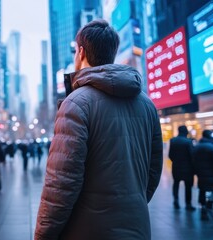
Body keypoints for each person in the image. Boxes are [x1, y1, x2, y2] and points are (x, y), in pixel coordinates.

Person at [35, 19, 163, 240]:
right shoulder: (147, 104)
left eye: (75, 51)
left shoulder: (76, 103)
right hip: (137, 227)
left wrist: (42, 235)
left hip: (87, 230)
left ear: (81, 52)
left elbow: (61, 184)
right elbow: (153, 171)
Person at [193, 130, 213, 221]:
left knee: (202, 190)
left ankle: (203, 208)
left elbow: (193, 161)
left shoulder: (196, 147)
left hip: (201, 175)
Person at [168, 125, 195, 210]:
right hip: (188, 168)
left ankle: (176, 200)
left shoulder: (173, 140)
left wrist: (176, 161)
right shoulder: (188, 141)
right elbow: (192, 155)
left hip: (176, 166)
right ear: (186, 131)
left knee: (176, 183)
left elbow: (170, 155)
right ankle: (188, 204)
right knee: (188, 186)